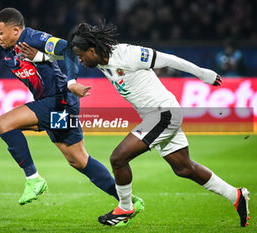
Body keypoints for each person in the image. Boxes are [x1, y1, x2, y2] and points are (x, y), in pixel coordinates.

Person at [0, 8, 144, 225]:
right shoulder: (0, 47)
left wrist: (69, 78)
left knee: (4, 123)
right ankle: (128, 201)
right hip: (57, 104)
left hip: (59, 99)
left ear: (16, 30)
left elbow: (68, 49)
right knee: (78, 159)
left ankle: (33, 178)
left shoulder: (34, 38)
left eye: (0, 31)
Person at [64, 22, 250, 227]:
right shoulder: (98, 59)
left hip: (164, 114)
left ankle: (125, 208)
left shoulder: (128, 54)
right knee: (184, 168)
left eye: (81, 56)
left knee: (118, 158)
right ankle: (236, 195)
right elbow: (63, 53)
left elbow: (169, 59)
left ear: (92, 50)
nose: (80, 60)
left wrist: (202, 74)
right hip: (155, 116)